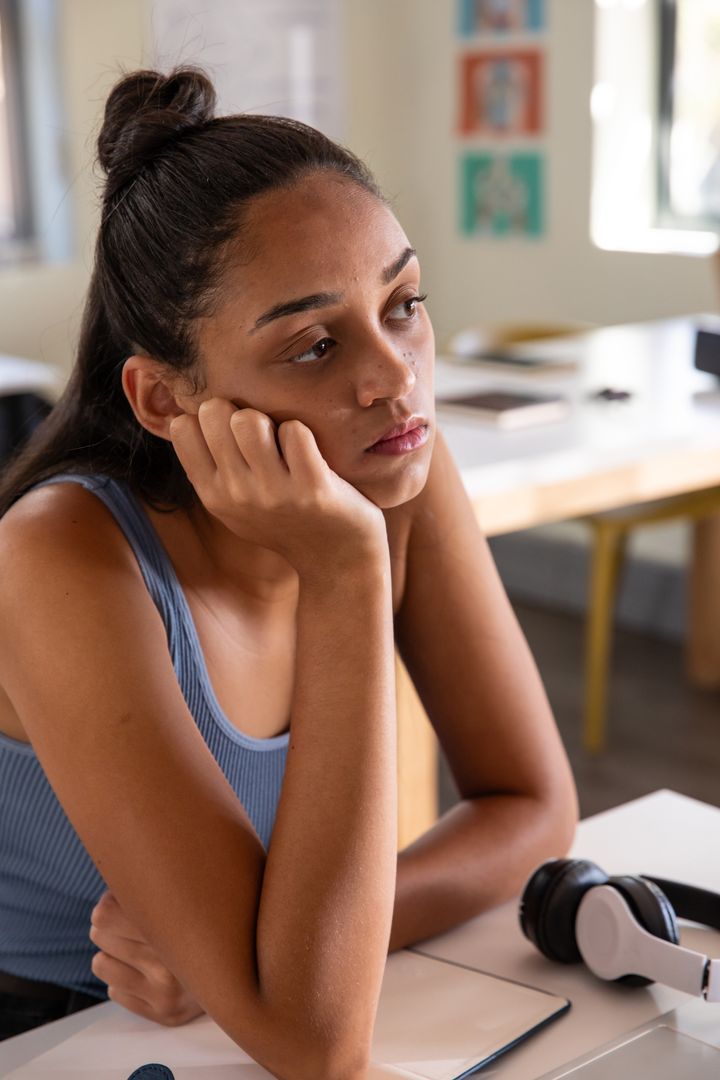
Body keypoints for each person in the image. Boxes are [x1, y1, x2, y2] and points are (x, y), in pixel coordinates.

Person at [0, 67, 578, 1076]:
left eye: (403, 303)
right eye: (315, 343)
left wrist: (249, 959)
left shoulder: (397, 460)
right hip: (50, 1032)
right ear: (164, 401)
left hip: (231, 1013)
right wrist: (348, 572)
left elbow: (534, 809)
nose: (394, 377)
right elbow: (316, 1044)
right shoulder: (60, 555)